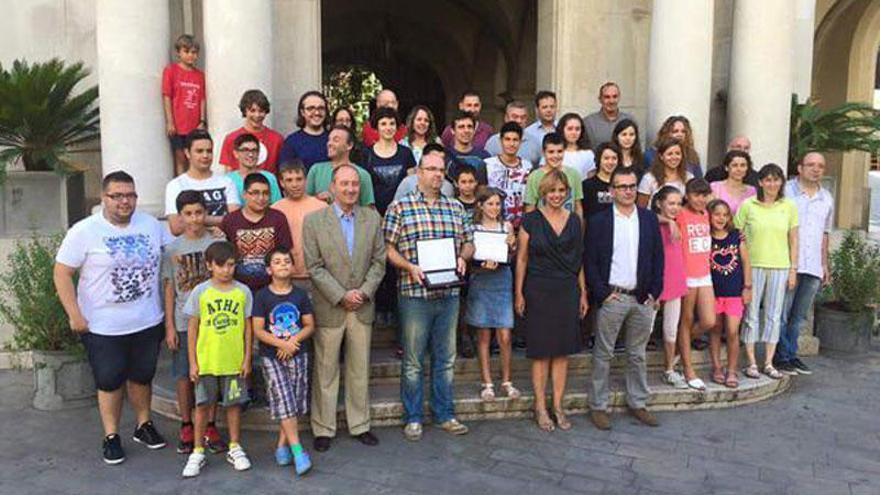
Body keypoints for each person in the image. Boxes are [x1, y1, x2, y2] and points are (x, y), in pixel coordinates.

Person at [54, 171, 171, 464]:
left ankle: (143, 425)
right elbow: (62, 273)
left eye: (130, 195)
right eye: (117, 195)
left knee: (142, 376)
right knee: (109, 381)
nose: (124, 201)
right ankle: (111, 435)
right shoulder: (84, 231)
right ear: (104, 197)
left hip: (146, 319)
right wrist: (74, 315)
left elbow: (179, 236)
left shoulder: (151, 225)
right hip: (102, 326)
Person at [383, 153, 474, 441]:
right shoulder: (400, 207)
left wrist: (463, 257)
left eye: (440, 170)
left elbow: (469, 241)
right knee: (413, 361)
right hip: (415, 294)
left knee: (446, 358)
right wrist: (408, 266)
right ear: (418, 173)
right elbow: (387, 248)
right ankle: (413, 417)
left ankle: (445, 413)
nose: (437, 174)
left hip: (449, 293)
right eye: (431, 169)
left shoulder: (455, 207)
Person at [303, 164, 387, 452]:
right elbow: (314, 267)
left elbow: (379, 262)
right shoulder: (314, 221)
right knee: (325, 370)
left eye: (355, 184)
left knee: (358, 369)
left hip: (361, 306)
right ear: (333, 187)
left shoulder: (372, 219)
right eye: (344, 184)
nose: (351, 189)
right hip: (331, 306)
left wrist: (362, 293)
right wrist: (341, 295)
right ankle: (323, 428)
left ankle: (360, 424)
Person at [585, 167, 664, 430]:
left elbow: (657, 258)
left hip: (643, 298)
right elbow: (591, 261)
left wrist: (654, 292)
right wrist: (603, 294)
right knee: (603, 353)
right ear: (612, 191)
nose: (628, 191)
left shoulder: (649, 218)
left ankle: (638, 402)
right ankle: (598, 406)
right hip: (613, 297)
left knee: (637, 354)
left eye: (632, 186)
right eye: (622, 186)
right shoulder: (599, 221)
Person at [515, 170, 588, 431]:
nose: (556, 195)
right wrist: (519, 292)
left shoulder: (575, 221)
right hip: (538, 289)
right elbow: (522, 258)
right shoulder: (531, 220)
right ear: (542, 193)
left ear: (567, 192)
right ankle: (540, 406)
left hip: (567, 290)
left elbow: (579, 259)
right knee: (541, 352)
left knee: (562, 352)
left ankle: (558, 405)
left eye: (561, 191)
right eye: (551, 191)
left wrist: (583, 293)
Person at [181, 241, 253, 477]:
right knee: (202, 405)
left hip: (233, 363)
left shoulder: (243, 292)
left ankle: (234, 446)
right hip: (207, 362)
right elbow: (192, 328)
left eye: (231, 265)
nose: (226, 270)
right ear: (209, 265)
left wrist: (247, 359)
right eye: (220, 265)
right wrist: (193, 362)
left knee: (233, 405)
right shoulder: (200, 292)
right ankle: (198, 450)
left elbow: (248, 327)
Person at [162, 191, 224, 455]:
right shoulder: (172, 249)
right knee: (185, 375)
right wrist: (169, 327)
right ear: (180, 216)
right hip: (185, 322)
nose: (194, 218)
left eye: (199, 212)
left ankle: (210, 424)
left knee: (212, 374)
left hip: (214, 323)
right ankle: (186, 424)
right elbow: (169, 289)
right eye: (188, 213)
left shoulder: (216, 242)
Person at [252, 248, 315, 475]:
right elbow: (258, 330)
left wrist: (293, 341)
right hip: (272, 356)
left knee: (294, 402)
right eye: (277, 262)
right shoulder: (262, 296)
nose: (283, 265)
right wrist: (281, 344)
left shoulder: (299, 295)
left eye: (287, 261)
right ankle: (298, 450)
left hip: (298, 353)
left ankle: (281, 445)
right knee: (284, 398)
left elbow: (309, 324)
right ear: (269, 269)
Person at [734, 164, 799, 380]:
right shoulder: (748, 205)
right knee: (751, 314)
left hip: (780, 266)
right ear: (760, 182)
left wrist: (793, 269)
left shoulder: (788, 206)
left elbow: (793, 240)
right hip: (753, 266)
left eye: (776, 179)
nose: (772, 184)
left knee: (774, 315)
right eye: (768, 180)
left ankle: (769, 362)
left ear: (781, 182)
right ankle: (751, 362)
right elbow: (737, 234)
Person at [777, 152, 833, 376]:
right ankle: (779, 356)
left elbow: (825, 234)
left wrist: (825, 264)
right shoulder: (786, 192)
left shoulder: (827, 198)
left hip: (813, 265)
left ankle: (790, 354)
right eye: (810, 165)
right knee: (782, 312)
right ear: (799, 168)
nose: (816, 169)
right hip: (788, 262)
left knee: (799, 316)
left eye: (820, 165)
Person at [467, 189, 519, 402]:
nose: (494, 208)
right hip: (481, 281)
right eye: (490, 204)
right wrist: (480, 265)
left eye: (497, 204)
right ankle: (487, 382)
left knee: (505, 335)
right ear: (480, 205)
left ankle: (507, 380)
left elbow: (513, 255)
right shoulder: (473, 228)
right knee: (484, 335)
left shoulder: (506, 227)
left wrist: (512, 245)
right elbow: (469, 258)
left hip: (502, 280)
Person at [675, 179, 715, 391]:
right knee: (687, 320)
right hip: (686, 275)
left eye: (704, 195)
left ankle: (675, 350)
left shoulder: (706, 214)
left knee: (709, 320)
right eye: (696, 195)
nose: (700, 199)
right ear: (687, 195)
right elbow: (659, 217)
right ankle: (688, 368)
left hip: (705, 274)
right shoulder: (680, 214)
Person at [219, 174, 292, 292]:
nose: (261, 198)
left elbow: (284, 251)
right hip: (238, 288)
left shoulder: (278, 218)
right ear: (245, 194)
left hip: (272, 288)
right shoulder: (230, 220)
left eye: (266, 193)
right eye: (255, 193)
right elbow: (223, 254)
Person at [708, 199, 751, 388]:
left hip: (734, 292)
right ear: (709, 215)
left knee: (733, 332)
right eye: (717, 214)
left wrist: (747, 287)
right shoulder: (706, 237)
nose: (721, 218)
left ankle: (732, 369)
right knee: (715, 329)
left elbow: (746, 262)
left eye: (725, 215)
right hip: (712, 293)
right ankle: (717, 367)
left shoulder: (735, 236)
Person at [165, 130, 240, 236]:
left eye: (209, 151)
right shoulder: (175, 185)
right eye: (199, 151)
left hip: (222, 247)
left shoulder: (226, 182)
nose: (205, 156)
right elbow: (176, 227)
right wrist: (215, 223)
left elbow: (235, 221)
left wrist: (193, 220)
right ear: (187, 153)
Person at [651, 186, 688, 389]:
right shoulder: (652, 222)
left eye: (678, 203)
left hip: (675, 277)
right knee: (645, 327)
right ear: (659, 203)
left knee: (671, 329)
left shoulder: (680, 220)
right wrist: (667, 221)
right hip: (655, 280)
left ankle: (669, 369)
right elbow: (646, 216)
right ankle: (635, 371)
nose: (675, 207)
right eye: (671, 203)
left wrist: (673, 221)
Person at [271, 160, 328, 290]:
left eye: (299, 179)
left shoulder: (321, 207)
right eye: (289, 180)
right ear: (281, 183)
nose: (295, 184)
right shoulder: (275, 209)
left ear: (306, 180)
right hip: (285, 277)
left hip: (318, 276)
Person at [162, 34, 206, 176]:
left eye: (194, 52)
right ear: (179, 53)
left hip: (194, 125)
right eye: (186, 52)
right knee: (180, 157)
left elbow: (202, 99)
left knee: (194, 158)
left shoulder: (199, 75)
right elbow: (167, 96)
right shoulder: (171, 71)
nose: (190, 56)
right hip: (179, 125)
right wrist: (170, 122)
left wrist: (202, 121)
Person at [306, 125, 376, 207]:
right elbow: (304, 204)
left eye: (336, 140)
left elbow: (369, 210)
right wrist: (317, 200)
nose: (329, 143)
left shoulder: (363, 175)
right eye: (329, 140)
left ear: (349, 145)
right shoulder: (316, 170)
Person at [364, 106, 417, 215]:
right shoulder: (366, 154)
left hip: (403, 213)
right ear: (376, 127)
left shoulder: (406, 153)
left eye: (392, 123)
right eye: (383, 124)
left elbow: (412, 185)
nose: (388, 128)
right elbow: (364, 188)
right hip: (374, 214)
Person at [219, 89, 284, 174]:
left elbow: (281, 170)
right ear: (245, 111)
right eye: (252, 110)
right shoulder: (231, 139)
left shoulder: (277, 139)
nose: (257, 115)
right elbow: (228, 173)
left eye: (261, 111)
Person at [524, 133, 584, 221]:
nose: (555, 156)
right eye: (551, 152)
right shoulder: (535, 176)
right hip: (543, 227)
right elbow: (530, 208)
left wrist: (579, 229)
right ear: (544, 153)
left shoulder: (574, 174)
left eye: (559, 151)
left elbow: (578, 206)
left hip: (568, 227)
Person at [485, 122, 534, 228]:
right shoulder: (488, 165)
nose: (511, 144)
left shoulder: (527, 166)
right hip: (495, 225)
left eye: (515, 140)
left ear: (521, 142)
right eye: (507, 139)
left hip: (521, 225)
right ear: (501, 141)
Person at [226, 133, 283, 204]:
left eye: (254, 150)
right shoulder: (228, 180)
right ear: (236, 153)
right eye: (245, 150)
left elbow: (276, 206)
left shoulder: (269, 178)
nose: (251, 154)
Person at [636, 137, 693, 208]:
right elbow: (641, 208)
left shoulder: (689, 177)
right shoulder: (649, 178)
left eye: (678, 153)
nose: (674, 157)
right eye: (670, 154)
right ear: (661, 156)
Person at [280, 91, 330, 170]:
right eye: (311, 108)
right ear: (302, 112)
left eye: (321, 108)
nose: (317, 112)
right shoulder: (292, 142)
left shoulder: (333, 138)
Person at [484, 100, 542, 165]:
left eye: (523, 117)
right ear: (506, 118)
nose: (519, 120)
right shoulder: (493, 142)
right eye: (515, 117)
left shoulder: (534, 143)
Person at [583, 82, 637, 147]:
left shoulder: (629, 120)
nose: (611, 101)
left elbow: (636, 148)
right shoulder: (588, 123)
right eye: (607, 97)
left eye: (615, 96)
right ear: (600, 99)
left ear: (619, 98)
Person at [445, 111, 490, 185]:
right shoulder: (445, 156)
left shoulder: (485, 156)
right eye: (461, 127)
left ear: (474, 130)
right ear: (452, 131)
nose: (466, 131)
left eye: (469, 126)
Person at [709, 150, 757, 214]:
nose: (739, 169)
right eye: (734, 165)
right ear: (726, 167)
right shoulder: (715, 187)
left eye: (742, 165)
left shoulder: (752, 191)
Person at [581, 143, 621, 219]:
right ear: (599, 159)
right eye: (606, 158)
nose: (610, 162)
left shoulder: (623, 184)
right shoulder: (587, 185)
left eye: (614, 158)